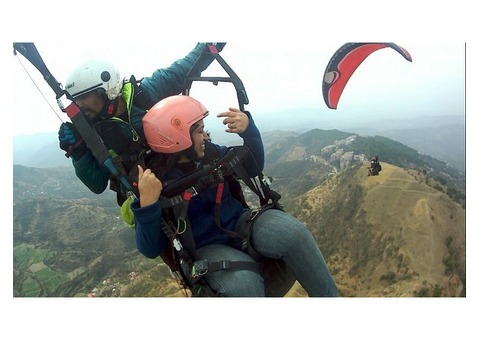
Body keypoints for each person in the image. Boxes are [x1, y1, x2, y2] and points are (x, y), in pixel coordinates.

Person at [131, 95, 338, 297]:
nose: (205, 136)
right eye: (199, 131)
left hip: (241, 224)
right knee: (245, 285)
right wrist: (147, 205)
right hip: (205, 247)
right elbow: (151, 249)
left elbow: (253, 166)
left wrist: (249, 131)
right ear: (178, 138)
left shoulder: (212, 154)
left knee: (296, 235)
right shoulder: (156, 181)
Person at [58, 43, 224, 203]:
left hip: (187, 174)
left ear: (106, 89)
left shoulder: (146, 92)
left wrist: (211, 43)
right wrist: (79, 154)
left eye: (84, 97)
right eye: (75, 99)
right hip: (153, 202)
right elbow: (97, 184)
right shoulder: (91, 132)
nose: (79, 104)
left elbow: (187, 66)